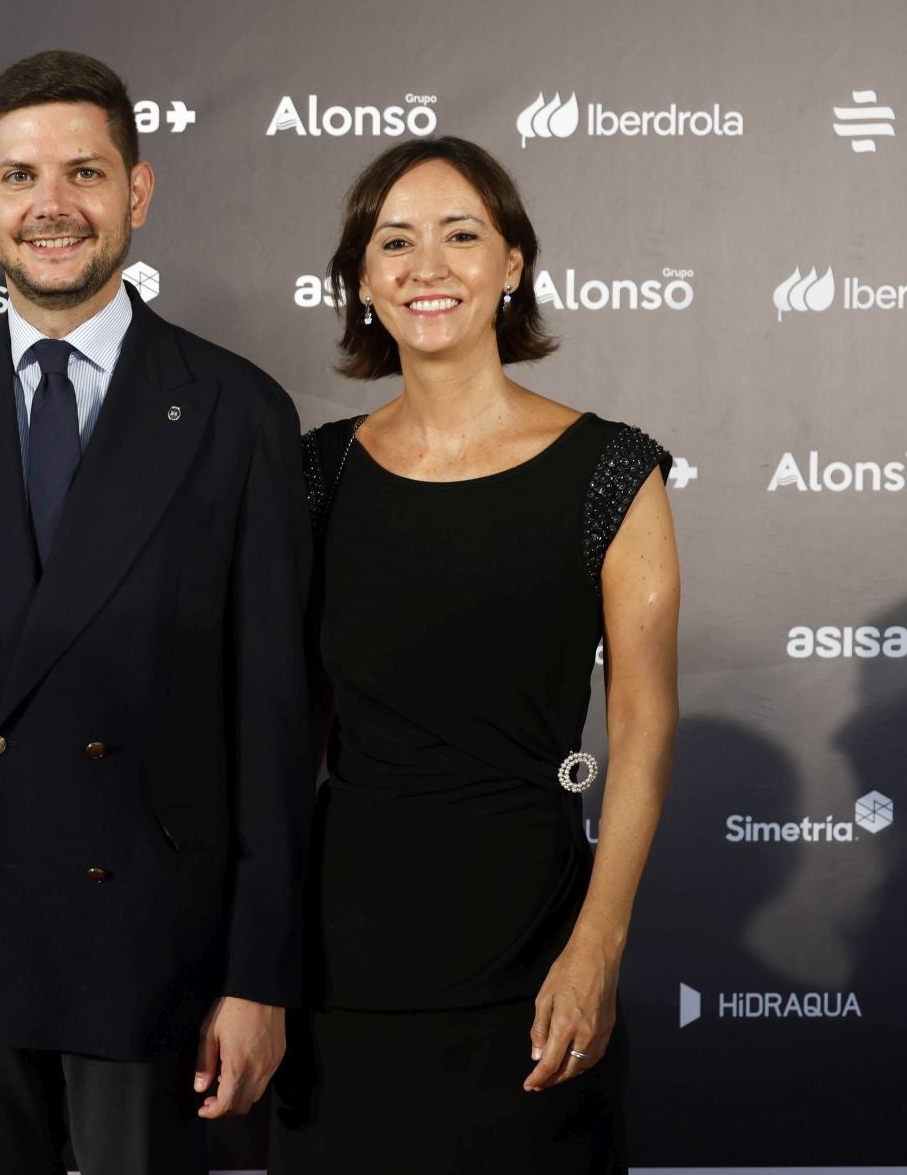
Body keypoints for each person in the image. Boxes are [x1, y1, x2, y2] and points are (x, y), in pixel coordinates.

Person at [0, 50, 313, 1175]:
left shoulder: (236, 411)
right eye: (22, 176)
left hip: (154, 938)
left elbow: (275, 723)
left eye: (84, 173)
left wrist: (260, 975)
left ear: (137, 190)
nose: (52, 205)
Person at [269, 136, 678, 1173]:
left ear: (512, 263)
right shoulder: (316, 476)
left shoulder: (611, 471)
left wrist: (598, 946)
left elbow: (641, 725)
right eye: (394, 241)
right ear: (362, 281)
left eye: (461, 234)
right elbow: (285, 735)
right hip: (340, 970)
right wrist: (253, 961)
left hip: (534, 957)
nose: (428, 266)